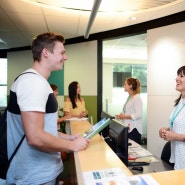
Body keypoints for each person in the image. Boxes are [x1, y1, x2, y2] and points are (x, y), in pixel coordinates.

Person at [6, 32, 89, 185]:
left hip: (42, 171)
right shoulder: (32, 83)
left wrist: (68, 137)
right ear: (45, 52)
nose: (66, 57)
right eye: (62, 52)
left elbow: (44, 129)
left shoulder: (39, 82)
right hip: (33, 176)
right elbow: (35, 137)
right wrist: (71, 146)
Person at [159, 65, 185, 170]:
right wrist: (167, 130)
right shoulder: (180, 101)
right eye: (178, 75)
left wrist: (174, 136)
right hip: (178, 157)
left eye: (182, 76)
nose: (177, 78)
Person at [115, 77, 143, 144]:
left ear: (130, 86)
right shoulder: (129, 98)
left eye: (125, 84)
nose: (123, 86)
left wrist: (124, 117)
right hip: (128, 128)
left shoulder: (137, 98)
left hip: (134, 129)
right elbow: (127, 111)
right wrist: (120, 116)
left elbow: (138, 114)